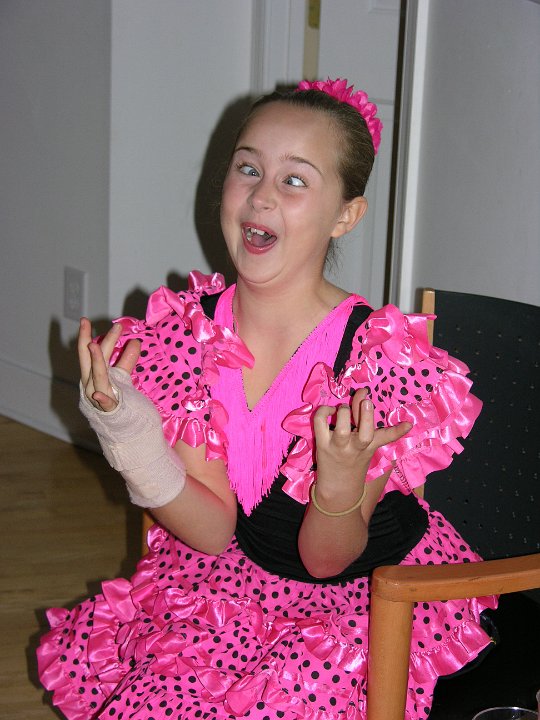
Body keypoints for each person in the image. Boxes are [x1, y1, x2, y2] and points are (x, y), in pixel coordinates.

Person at [37, 78, 496, 720]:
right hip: (235, 580)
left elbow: (325, 559)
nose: (261, 195)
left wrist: (340, 480)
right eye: (248, 168)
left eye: (295, 180)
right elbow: (213, 529)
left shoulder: (377, 358)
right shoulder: (186, 336)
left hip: (364, 599)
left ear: (345, 216)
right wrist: (126, 431)